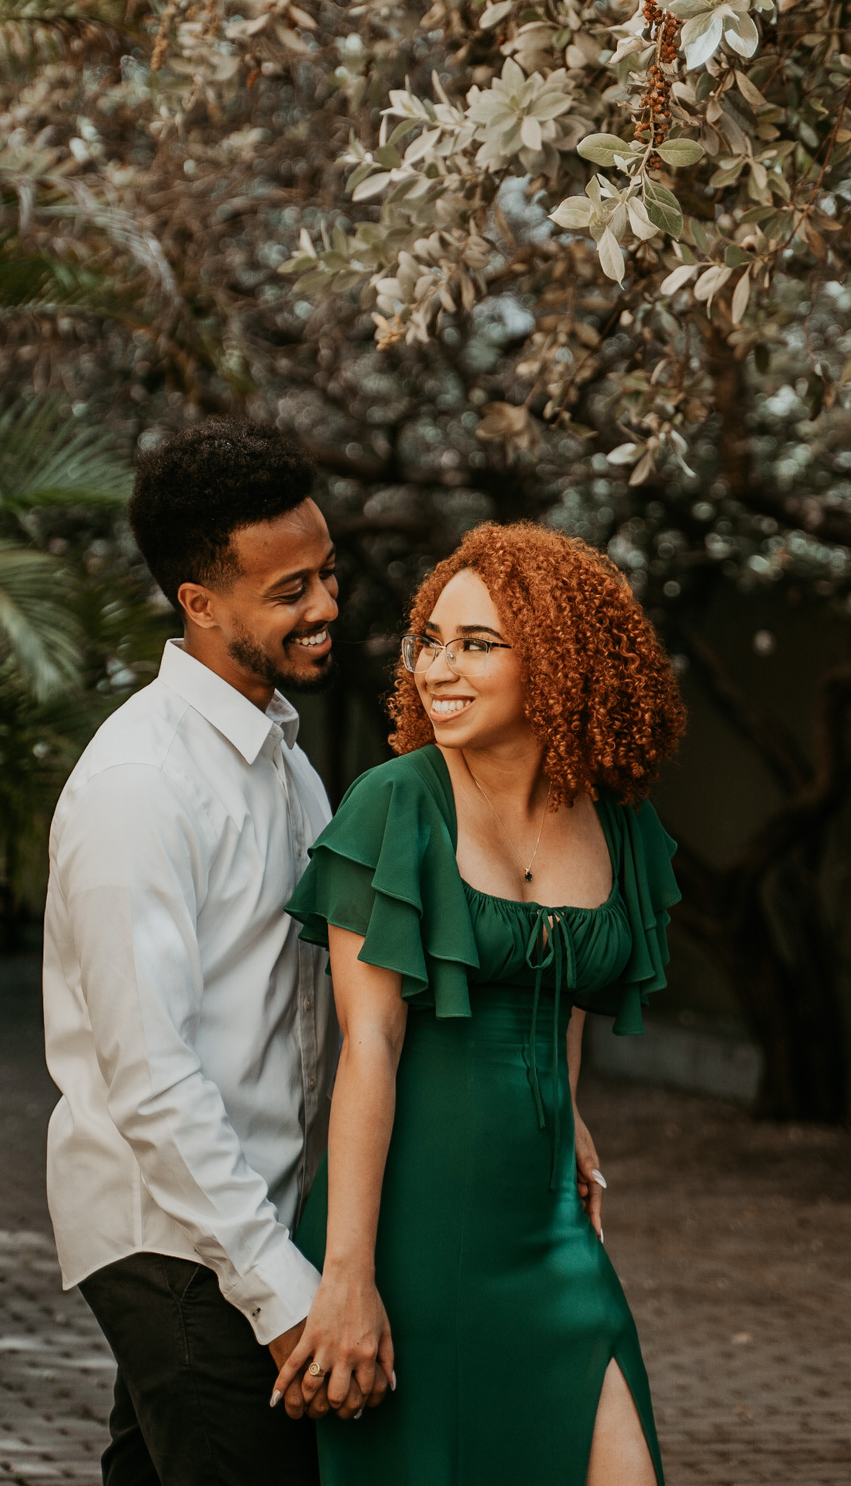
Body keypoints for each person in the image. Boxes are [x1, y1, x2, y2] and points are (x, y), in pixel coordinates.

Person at [275, 521, 687, 1486]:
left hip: (550, 1226)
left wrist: (568, 1106)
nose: (437, 669)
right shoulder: (396, 804)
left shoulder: (618, 822)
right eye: (432, 640)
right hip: (411, 1225)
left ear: (558, 662)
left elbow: (567, 995)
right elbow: (367, 1049)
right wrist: (345, 1278)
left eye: (477, 644)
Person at [43, 419, 374, 1486]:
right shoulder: (138, 783)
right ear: (201, 604)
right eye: (289, 591)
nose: (325, 607)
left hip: (244, 1227)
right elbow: (149, 1075)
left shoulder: (282, 759)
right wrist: (278, 1291)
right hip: (184, 1249)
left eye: (326, 575)